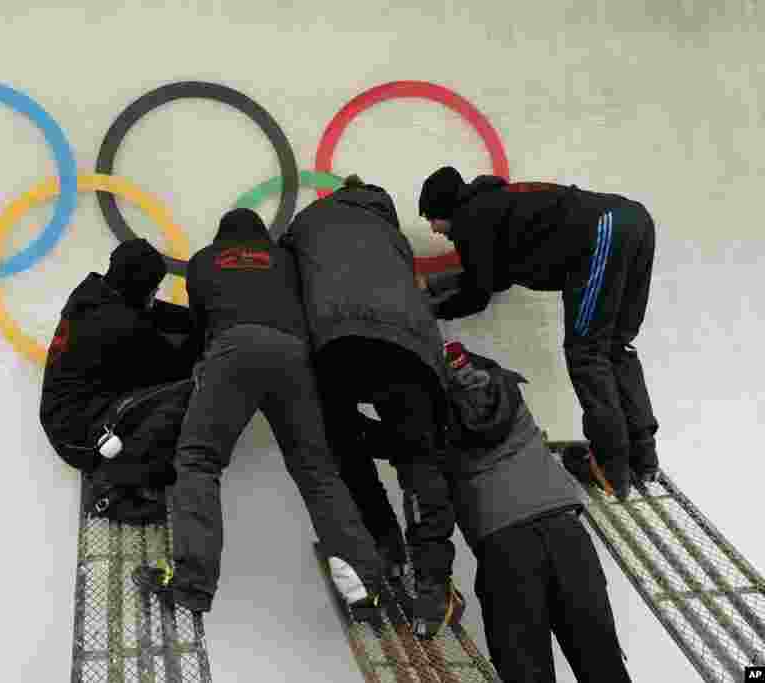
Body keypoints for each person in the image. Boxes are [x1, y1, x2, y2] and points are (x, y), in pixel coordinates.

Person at [131, 208, 387, 618]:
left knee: (198, 460)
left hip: (232, 351)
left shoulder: (203, 261)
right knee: (316, 472)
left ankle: (192, 583)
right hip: (294, 357)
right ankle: (362, 587)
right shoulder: (286, 260)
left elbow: (200, 328)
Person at [360, 341, 632, 682]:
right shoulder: (499, 387)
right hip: (569, 537)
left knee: (526, 673)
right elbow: (465, 421)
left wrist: (433, 584)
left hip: (507, 550)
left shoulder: (418, 417)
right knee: (603, 666)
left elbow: (428, 505)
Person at [279, 175, 460, 639]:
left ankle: (383, 546)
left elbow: (283, 276)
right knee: (418, 461)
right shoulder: (392, 235)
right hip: (408, 350)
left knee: (344, 445)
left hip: (336, 345)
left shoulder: (308, 222)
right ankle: (432, 585)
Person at [418, 167, 660, 500]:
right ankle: (644, 457)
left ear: (445, 209)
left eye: (432, 219)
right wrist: (436, 285)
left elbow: (477, 294)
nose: (433, 228)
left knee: (587, 354)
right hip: (633, 220)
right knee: (615, 347)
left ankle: (611, 467)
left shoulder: (470, 221)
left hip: (606, 229)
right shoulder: (492, 206)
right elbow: (492, 277)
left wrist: (430, 309)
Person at [39, 238, 200, 523]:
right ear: (138, 287)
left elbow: (155, 312)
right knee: (184, 393)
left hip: (69, 414)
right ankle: (113, 487)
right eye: (153, 288)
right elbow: (175, 365)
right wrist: (211, 336)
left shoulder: (93, 292)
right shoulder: (118, 326)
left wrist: (199, 318)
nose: (155, 294)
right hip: (78, 432)